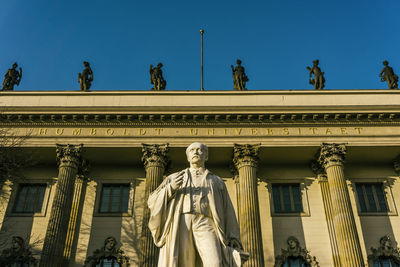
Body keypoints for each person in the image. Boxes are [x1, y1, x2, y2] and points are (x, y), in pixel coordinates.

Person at [148, 142, 247, 267]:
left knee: (215, 262)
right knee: (184, 263)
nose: (195, 152)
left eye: (200, 150)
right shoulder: (173, 178)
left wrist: (233, 237)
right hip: (182, 221)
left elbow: (228, 210)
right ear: (188, 157)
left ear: (206, 156)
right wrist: (169, 189)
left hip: (206, 221)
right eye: (192, 150)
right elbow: (152, 200)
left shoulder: (217, 181)